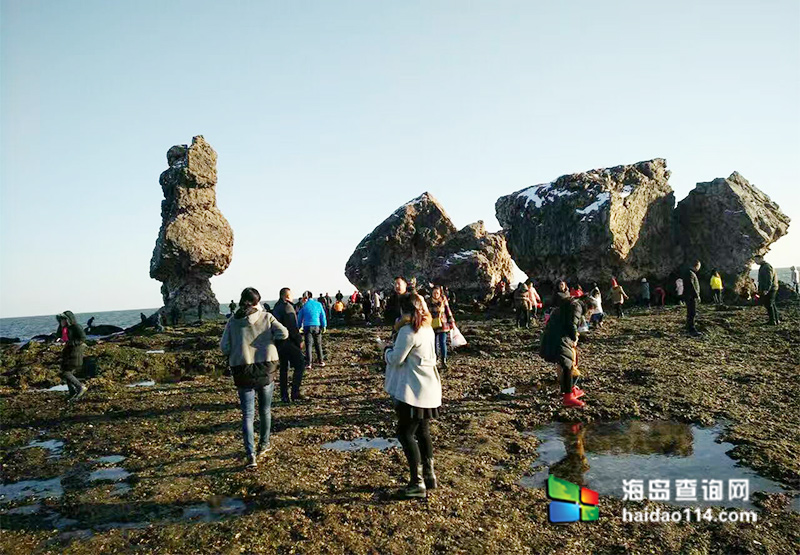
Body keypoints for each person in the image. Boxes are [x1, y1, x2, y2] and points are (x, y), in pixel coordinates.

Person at [220, 287, 288, 469]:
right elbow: (284, 333)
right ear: (258, 302)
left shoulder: (232, 321)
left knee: (247, 415)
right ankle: (264, 445)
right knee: (265, 411)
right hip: (266, 368)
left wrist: (240, 348)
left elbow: (224, 347)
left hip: (242, 370)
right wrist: (266, 341)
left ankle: (250, 454)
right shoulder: (267, 317)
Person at [381, 293, 441, 498]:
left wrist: (385, 351)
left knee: (405, 433)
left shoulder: (408, 331)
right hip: (428, 388)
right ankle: (429, 475)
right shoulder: (427, 329)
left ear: (403, 310)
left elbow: (397, 359)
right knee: (423, 431)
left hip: (413, 391)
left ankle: (417, 484)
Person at [540, 281, 586, 408]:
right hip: (560, 339)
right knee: (567, 365)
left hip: (556, 337)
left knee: (567, 364)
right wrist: (574, 337)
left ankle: (570, 390)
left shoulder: (565, 307)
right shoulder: (575, 306)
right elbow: (572, 324)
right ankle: (568, 395)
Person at [273, 288, 307, 403]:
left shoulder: (276, 308)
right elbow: (292, 326)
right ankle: (295, 392)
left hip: (278, 342)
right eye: (291, 295)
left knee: (284, 368)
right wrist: (299, 340)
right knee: (300, 364)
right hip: (289, 341)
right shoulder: (288, 307)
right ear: (286, 296)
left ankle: (284, 395)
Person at [56, 311, 88, 402]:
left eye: (64, 319)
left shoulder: (76, 327)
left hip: (75, 352)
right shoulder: (62, 328)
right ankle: (72, 392)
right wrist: (58, 339)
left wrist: (69, 342)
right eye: (61, 320)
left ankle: (80, 387)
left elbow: (82, 339)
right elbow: (59, 336)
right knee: (65, 370)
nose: (62, 321)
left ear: (68, 319)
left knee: (66, 372)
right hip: (67, 351)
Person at [297, 291, 327, 368]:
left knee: (308, 345)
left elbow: (300, 317)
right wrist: (324, 325)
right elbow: (322, 315)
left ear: (306, 297)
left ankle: (308, 363)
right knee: (318, 344)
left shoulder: (304, 306)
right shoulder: (318, 304)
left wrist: (299, 326)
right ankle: (321, 361)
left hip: (307, 326)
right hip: (317, 325)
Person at [428, 286, 455, 368]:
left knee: (443, 342)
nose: (436, 295)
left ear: (440, 293)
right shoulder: (428, 301)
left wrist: (451, 322)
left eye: (437, 293)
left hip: (443, 324)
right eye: (434, 293)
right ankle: (435, 359)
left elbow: (448, 311)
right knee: (434, 343)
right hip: (432, 324)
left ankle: (444, 360)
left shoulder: (443, 300)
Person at [756, 256, 780, 325]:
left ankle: (772, 321)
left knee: (768, 304)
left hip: (770, 288)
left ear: (761, 259)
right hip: (772, 288)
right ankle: (776, 319)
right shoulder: (764, 266)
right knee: (772, 304)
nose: (755, 262)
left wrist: (766, 289)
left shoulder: (766, 267)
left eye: (756, 260)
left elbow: (769, 279)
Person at [685, 260, 702, 335]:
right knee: (692, 313)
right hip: (691, 296)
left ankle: (689, 328)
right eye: (699, 266)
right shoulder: (690, 273)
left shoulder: (690, 273)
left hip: (690, 296)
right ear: (696, 265)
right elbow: (691, 285)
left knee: (691, 313)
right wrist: (696, 295)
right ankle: (691, 329)